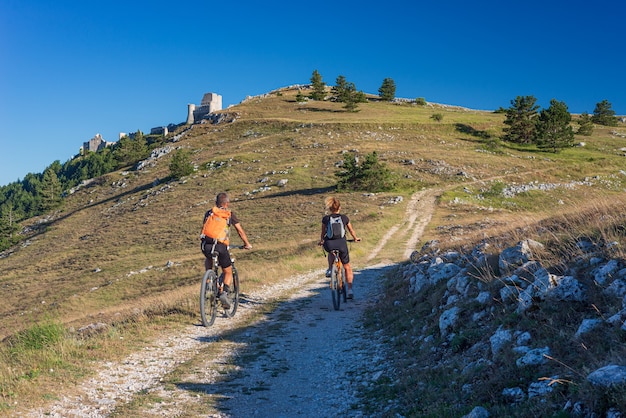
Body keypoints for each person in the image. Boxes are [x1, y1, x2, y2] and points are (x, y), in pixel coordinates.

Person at [201, 192, 252, 309]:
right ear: (227, 203)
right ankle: (224, 293)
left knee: (209, 257)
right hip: (221, 246)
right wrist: (247, 244)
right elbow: (240, 231)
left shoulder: (209, 213)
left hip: (206, 245)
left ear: (216, 203)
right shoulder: (229, 214)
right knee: (228, 271)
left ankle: (208, 280)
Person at [318, 196, 360, 299]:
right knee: (347, 267)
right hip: (341, 243)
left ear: (330, 209)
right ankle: (350, 290)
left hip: (330, 244)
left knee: (331, 253)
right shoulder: (344, 218)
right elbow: (351, 230)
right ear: (339, 208)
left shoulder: (326, 219)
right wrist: (355, 238)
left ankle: (330, 269)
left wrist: (322, 241)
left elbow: (323, 233)